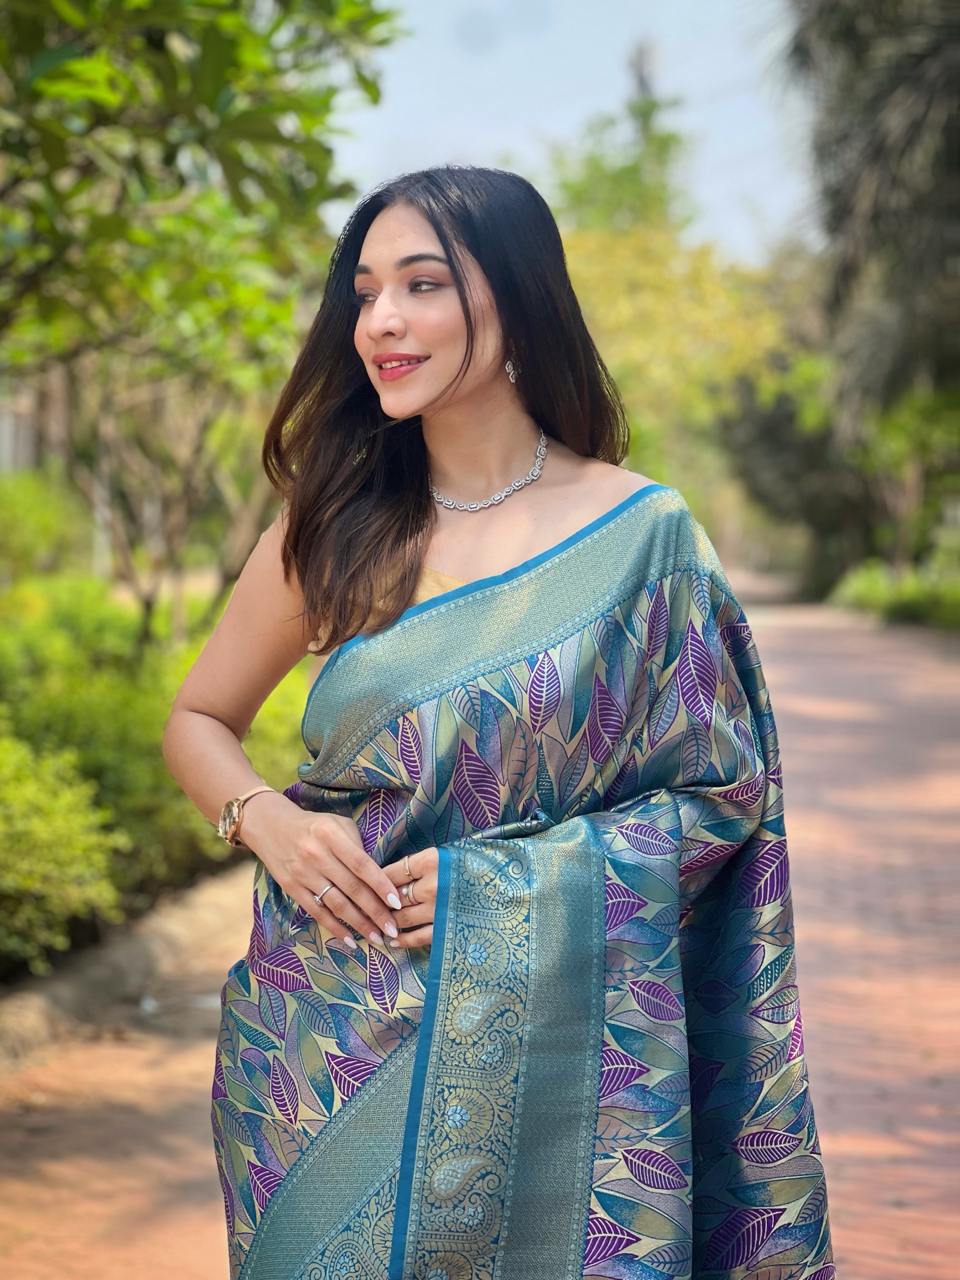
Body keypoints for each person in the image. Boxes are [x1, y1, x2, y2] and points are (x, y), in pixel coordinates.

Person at [162, 165, 835, 1280]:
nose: (381, 320)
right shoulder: (333, 523)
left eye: (421, 285)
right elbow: (198, 717)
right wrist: (270, 822)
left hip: (562, 1054)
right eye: (365, 293)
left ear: (516, 299)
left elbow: (723, 795)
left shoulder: (641, 537)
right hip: (321, 1041)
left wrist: (507, 890)